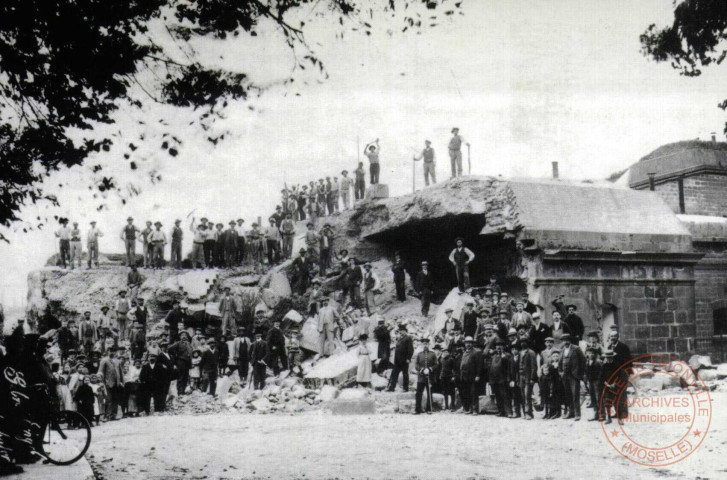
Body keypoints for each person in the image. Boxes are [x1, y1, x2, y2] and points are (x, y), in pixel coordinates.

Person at [559, 333, 585, 420]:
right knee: (568, 395)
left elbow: (583, 360)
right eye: (564, 340)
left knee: (575, 395)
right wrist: (560, 372)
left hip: (574, 376)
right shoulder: (562, 350)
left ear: (569, 340)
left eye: (567, 340)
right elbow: (560, 362)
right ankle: (571, 413)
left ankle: (578, 414)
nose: (565, 342)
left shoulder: (576, 349)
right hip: (565, 376)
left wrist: (579, 373)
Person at [413, 338, 438, 414]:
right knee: (418, 393)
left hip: (429, 377)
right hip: (421, 377)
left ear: (429, 345)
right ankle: (418, 410)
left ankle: (429, 409)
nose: (425, 345)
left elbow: (436, 364)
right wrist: (421, 369)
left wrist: (430, 369)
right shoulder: (419, 354)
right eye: (424, 344)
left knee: (429, 392)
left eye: (426, 344)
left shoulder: (433, 354)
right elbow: (416, 365)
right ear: (421, 345)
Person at [98, 348, 123, 421]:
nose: (112, 352)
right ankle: (107, 416)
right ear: (108, 351)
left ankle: (114, 415)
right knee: (108, 400)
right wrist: (101, 382)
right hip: (108, 383)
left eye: (114, 351)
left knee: (116, 399)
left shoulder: (117, 360)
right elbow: (100, 372)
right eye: (111, 351)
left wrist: (121, 381)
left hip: (116, 383)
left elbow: (120, 372)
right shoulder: (104, 360)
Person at [387, 325, 413, 392]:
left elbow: (410, 349)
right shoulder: (400, 338)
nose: (400, 332)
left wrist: (408, 358)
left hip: (404, 360)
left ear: (405, 331)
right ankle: (392, 387)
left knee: (405, 374)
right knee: (395, 374)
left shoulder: (408, 338)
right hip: (397, 360)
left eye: (402, 331)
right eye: (400, 331)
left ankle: (405, 388)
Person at [488, 339, 511, 417]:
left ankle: (508, 412)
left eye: (500, 346)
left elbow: (509, 367)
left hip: (503, 379)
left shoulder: (507, 355)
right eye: (497, 346)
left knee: (505, 396)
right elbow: (491, 367)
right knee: (498, 396)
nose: (499, 347)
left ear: (503, 347)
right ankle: (501, 411)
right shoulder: (493, 356)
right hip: (494, 379)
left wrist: (508, 378)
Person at [518, 338, 537, 420]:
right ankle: (526, 412)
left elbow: (534, 366)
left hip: (528, 376)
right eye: (521, 342)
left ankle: (528, 413)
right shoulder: (520, 352)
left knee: (527, 395)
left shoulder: (531, 352)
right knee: (522, 395)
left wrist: (532, 378)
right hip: (521, 376)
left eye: (524, 342)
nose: (523, 343)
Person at [585, 347, 605, 421]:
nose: (591, 355)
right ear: (587, 354)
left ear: (595, 354)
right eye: (589, 353)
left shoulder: (598, 362)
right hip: (590, 382)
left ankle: (602, 414)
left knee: (598, 398)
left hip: (597, 382)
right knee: (593, 398)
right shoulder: (587, 362)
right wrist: (586, 381)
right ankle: (596, 414)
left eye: (592, 353)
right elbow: (586, 373)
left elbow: (602, 372)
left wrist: (600, 381)